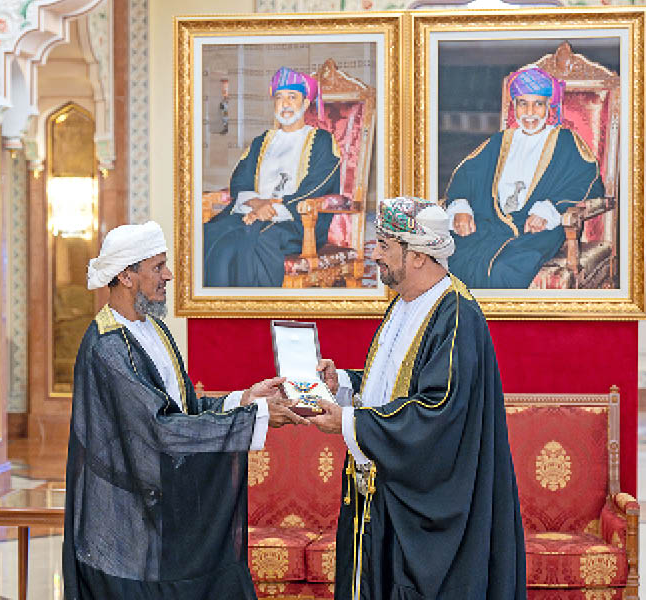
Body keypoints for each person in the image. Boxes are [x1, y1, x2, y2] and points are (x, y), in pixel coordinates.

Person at [63, 221, 308, 599]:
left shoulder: (155, 331)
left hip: (162, 512)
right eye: (158, 267)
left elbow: (185, 409)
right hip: (128, 531)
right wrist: (256, 418)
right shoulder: (108, 348)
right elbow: (161, 429)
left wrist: (244, 400)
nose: (169, 276)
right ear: (126, 276)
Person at [309, 197, 526, 599]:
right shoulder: (405, 304)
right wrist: (343, 384)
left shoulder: (456, 315)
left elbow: (436, 411)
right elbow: (396, 384)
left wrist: (348, 422)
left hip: (426, 513)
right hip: (382, 498)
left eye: (385, 246)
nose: (375, 254)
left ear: (419, 256)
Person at [444, 66, 605, 288]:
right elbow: (467, 175)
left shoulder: (566, 141)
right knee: (448, 259)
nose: (530, 112)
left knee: (504, 268)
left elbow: (587, 181)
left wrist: (549, 208)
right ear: (514, 106)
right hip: (491, 223)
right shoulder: (500, 141)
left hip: (537, 229)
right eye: (522, 103)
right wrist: (461, 207)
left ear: (550, 106)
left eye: (538, 104)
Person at [203, 66, 341, 287]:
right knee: (210, 234)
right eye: (279, 97)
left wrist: (271, 210)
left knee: (249, 240)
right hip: (250, 213)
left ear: (306, 103)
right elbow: (240, 179)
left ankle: (253, 305)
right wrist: (257, 204)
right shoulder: (262, 141)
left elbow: (317, 186)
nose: (285, 104)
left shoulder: (322, 141)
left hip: (295, 222)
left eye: (292, 97)